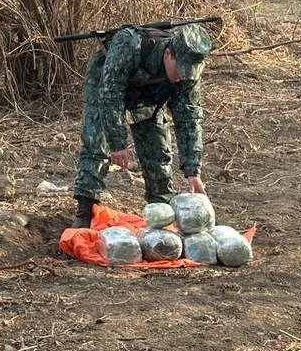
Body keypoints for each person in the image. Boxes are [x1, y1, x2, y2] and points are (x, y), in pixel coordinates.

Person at [70, 22, 212, 228]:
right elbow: (110, 95)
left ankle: (160, 211)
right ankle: (85, 210)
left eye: (188, 72)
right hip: (106, 84)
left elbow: (189, 120)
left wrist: (193, 172)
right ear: (167, 55)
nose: (183, 76)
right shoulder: (130, 44)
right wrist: (118, 143)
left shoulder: (187, 76)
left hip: (147, 96)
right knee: (95, 141)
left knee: (158, 149)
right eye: (180, 69)